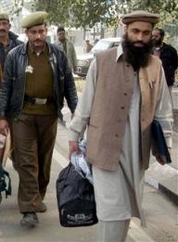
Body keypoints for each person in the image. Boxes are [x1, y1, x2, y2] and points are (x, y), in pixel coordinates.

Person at [68, 10, 173, 241]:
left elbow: (163, 110)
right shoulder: (102, 60)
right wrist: (74, 136)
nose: (140, 37)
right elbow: (86, 104)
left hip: (137, 152)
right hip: (105, 149)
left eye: (146, 33)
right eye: (135, 31)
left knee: (125, 212)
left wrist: (165, 146)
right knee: (111, 213)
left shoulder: (155, 66)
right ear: (125, 31)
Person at [0, 11, 78, 227]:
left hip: (49, 115)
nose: (38, 36)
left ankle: (37, 196)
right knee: (27, 162)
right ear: (27, 34)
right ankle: (29, 209)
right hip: (22, 115)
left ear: (46, 30)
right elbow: (6, 87)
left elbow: (69, 84)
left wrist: (76, 112)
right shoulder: (15, 55)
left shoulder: (58, 55)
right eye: (33, 32)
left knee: (44, 161)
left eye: (41, 31)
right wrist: (2, 117)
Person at [152, 28, 178, 99]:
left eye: (156, 36)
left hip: (166, 80)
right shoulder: (147, 50)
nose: (153, 38)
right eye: (152, 36)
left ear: (162, 37)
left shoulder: (170, 50)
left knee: (167, 101)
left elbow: (175, 64)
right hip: (151, 81)